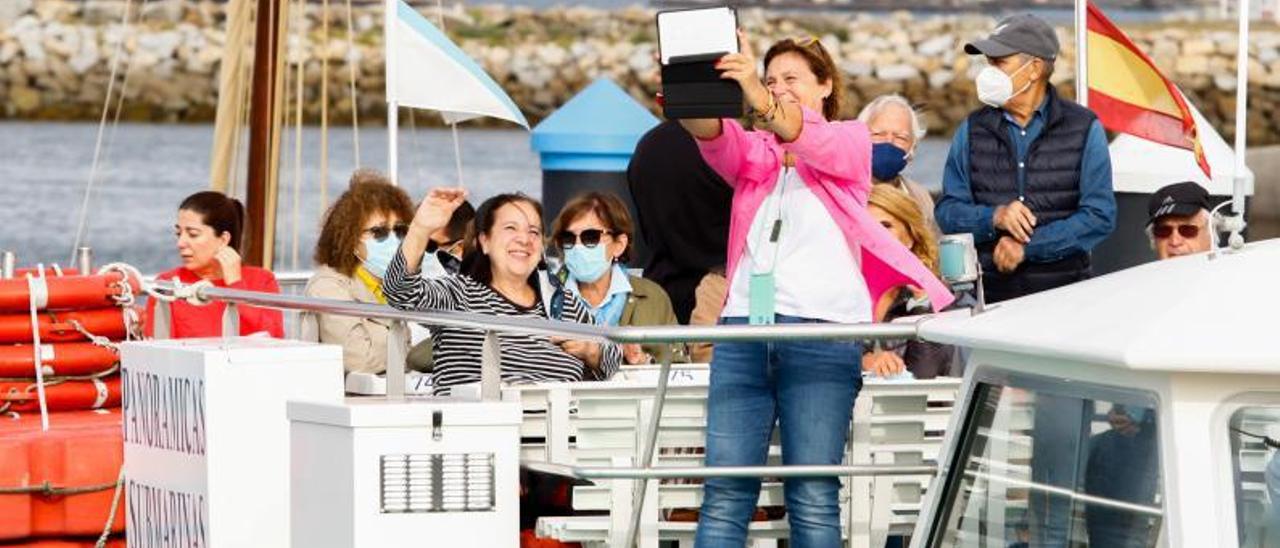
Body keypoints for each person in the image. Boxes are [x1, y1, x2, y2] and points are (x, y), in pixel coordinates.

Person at [678, 32, 953, 546]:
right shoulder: (754, 154)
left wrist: (761, 100)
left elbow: (800, 132)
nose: (779, 88)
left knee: (813, 495)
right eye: (771, 78)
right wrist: (689, 86)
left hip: (823, 337)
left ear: (825, 86)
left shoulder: (851, 140)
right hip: (743, 334)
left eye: (792, 79)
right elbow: (710, 134)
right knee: (725, 495)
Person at [935, 13, 1116, 304]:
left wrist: (1028, 248)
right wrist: (994, 216)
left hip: (1067, 300)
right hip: (990, 299)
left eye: (999, 62)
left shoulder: (1084, 128)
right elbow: (947, 212)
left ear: (1033, 69)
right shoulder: (971, 130)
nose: (988, 71)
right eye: (988, 62)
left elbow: (1099, 216)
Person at [382, 189, 622, 393]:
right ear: (484, 241)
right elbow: (399, 291)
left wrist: (593, 351)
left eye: (533, 232)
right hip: (477, 438)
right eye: (510, 228)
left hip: (554, 437)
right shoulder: (458, 295)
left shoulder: (562, 303)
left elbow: (612, 355)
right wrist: (421, 228)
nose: (524, 239)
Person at [304, 171, 430, 374]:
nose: (393, 239)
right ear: (349, 237)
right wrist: (408, 357)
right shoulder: (328, 287)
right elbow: (358, 360)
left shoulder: (389, 286)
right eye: (379, 232)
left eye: (399, 230)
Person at [549, 191, 684, 364]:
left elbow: (680, 369)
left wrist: (643, 362)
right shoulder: (545, 295)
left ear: (619, 245)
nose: (577, 246)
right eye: (568, 238)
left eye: (591, 237)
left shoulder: (652, 297)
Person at [145, 190, 283, 339]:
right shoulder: (167, 284)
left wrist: (236, 285)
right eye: (179, 234)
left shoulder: (262, 280)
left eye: (193, 234)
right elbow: (155, 347)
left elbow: (273, 340)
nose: (180, 243)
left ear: (223, 239)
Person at [861, 185, 961, 380]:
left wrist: (922, 305)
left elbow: (926, 373)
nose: (874, 235)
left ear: (910, 238)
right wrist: (864, 360)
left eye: (885, 226)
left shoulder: (944, 298)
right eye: (866, 227)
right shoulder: (839, 291)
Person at [857, 94, 939, 234]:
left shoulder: (920, 198)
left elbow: (930, 249)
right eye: (878, 134)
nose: (889, 142)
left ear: (913, 148)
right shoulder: (840, 191)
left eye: (901, 137)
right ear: (858, 137)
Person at [1146, 181, 1213, 260]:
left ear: (1211, 235)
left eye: (1187, 230)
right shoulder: (1138, 272)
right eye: (1163, 231)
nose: (1175, 242)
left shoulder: (1228, 271)